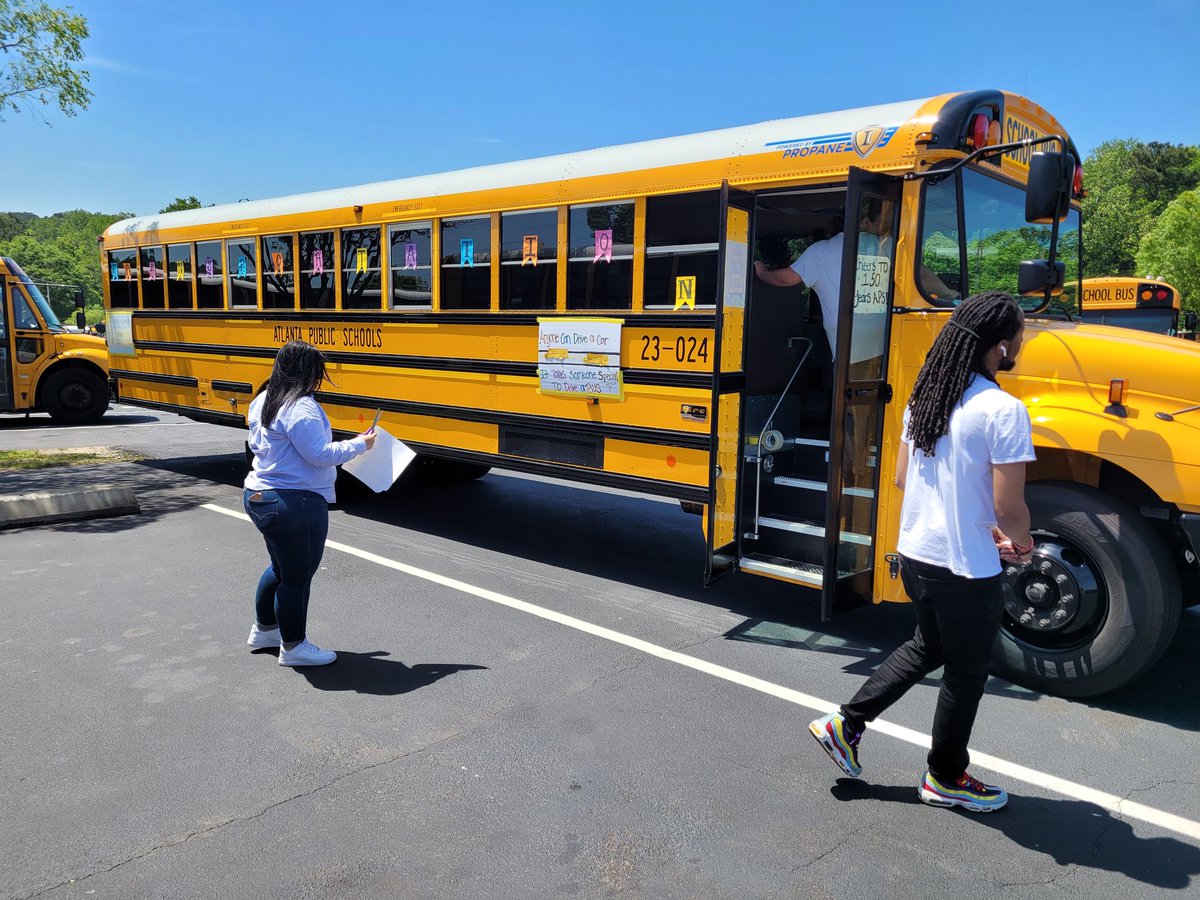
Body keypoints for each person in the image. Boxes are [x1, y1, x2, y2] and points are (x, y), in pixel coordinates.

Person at [807, 290, 1036, 813]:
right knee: (966, 671)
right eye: (1021, 334)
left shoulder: (927, 396)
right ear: (1001, 346)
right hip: (964, 566)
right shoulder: (1002, 409)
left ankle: (845, 724)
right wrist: (1021, 545)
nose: (1022, 341)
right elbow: (1009, 507)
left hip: (917, 553)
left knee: (928, 646)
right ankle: (946, 777)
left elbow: (903, 476)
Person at [243, 340, 376, 667]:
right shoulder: (300, 407)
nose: (319, 379)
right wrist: (361, 444)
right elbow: (319, 455)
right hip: (294, 501)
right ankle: (294, 647)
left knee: (280, 568)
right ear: (307, 372)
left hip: (260, 495)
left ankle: (265, 630)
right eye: (317, 372)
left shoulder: (263, 400)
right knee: (296, 577)